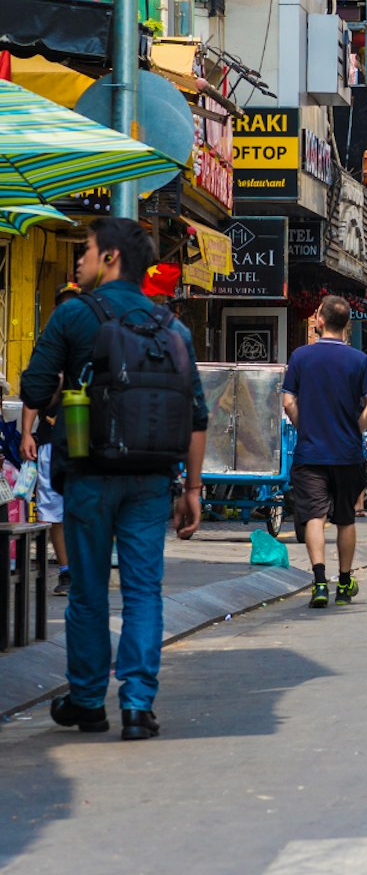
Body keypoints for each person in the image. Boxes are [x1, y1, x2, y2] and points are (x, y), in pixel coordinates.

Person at [20, 218, 207, 739]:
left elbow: (33, 389)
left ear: (109, 259)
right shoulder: (173, 327)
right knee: (145, 590)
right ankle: (137, 705)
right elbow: (197, 414)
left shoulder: (75, 314)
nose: (78, 260)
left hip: (88, 473)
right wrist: (192, 489)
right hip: (152, 479)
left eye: (85, 251)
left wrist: (68, 384)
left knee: (88, 590)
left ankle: (86, 699)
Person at [282, 296, 367, 608]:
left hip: (310, 452)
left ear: (320, 321)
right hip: (347, 453)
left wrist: (304, 427)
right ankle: (344, 581)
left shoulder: (301, 357)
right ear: (347, 325)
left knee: (313, 515)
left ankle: (319, 582)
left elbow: (288, 402)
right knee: (345, 518)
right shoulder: (359, 361)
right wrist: (355, 429)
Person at [18, 283, 84, 597]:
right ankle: (67, 571)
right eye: (62, 305)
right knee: (53, 507)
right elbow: (34, 391)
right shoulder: (47, 346)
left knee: (85, 505)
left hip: (86, 436)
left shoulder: (95, 341)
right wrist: (26, 432)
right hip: (48, 438)